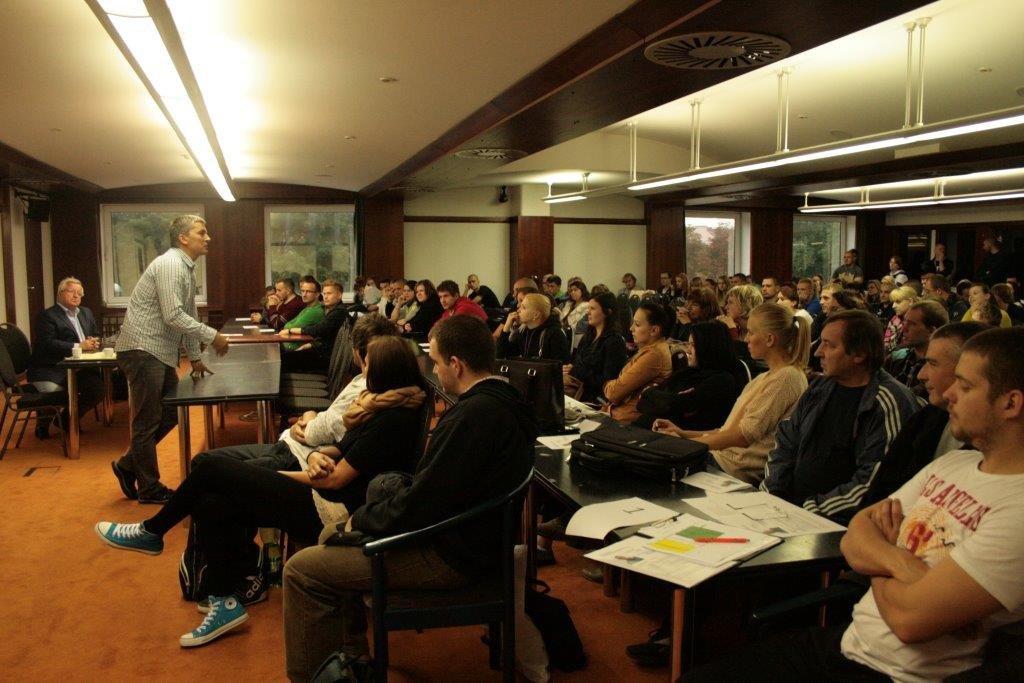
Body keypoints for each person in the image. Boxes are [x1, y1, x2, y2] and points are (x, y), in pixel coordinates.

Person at [684, 326, 1024, 682]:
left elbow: (909, 622)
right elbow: (857, 532)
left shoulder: (1016, 508)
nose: (950, 393)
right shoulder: (954, 463)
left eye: (965, 387)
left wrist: (880, 555)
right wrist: (904, 565)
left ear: (1011, 403)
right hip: (848, 644)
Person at [95, 335, 426, 647]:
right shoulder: (377, 407)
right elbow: (338, 451)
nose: (362, 372)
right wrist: (314, 456)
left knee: (211, 469)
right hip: (321, 491)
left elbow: (335, 481)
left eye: (368, 366)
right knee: (213, 499)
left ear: (384, 373)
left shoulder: (393, 420)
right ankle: (224, 601)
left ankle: (152, 531)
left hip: (330, 511)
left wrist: (271, 475)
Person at [282, 315, 538, 679]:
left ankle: (315, 676)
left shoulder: (473, 416)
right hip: (469, 539)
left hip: (452, 556)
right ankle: (351, 659)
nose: (434, 371)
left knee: (301, 571)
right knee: (330, 535)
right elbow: (435, 493)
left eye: (436, 361)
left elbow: (423, 505)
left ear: (456, 364)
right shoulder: (504, 402)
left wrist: (363, 519)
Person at [111, 215, 229, 505]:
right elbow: (174, 316)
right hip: (142, 349)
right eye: (202, 232)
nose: (208, 237)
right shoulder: (171, 264)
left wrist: (196, 357)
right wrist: (212, 335)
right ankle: (149, 488)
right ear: (183, 238)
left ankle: (127, 465)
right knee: (147, 421)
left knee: (171, 413)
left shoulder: (185, 267)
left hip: (157, 351)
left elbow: (187, 313)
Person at [761, 310, 920, 523]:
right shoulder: (820, 386)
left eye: (829, 345)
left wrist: (808, 509)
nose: (818, 352)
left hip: (836, 522)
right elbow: (786, 440)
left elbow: (874, 482)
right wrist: (773, 492)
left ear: (859, 354)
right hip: (789, 509)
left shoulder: (887, 401)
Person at [654, 302, 810, 484]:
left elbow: (742, 436)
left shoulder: (787, 377)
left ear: (769, 339)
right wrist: (683, 434)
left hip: (733, 468)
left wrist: (687, 445)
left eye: (751, 332)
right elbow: (726, 431)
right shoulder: (766, 377)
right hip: (722, 458)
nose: (747, 339)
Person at [861, 321, 987, 508]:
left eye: (933, 364)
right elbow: (878, 499)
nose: (921, 375)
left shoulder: (987, 450)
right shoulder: (924, 419)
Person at [27, 276, 105, 440]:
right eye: (72, 292)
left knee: (97, 389)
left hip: (79, 367)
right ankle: (43, 424)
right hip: (52, 368)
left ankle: (64, 420)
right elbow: (47, 343)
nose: (76, 296)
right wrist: (78, 346)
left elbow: (95, 334)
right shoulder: (47, 315)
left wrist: (94, 341)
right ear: (60, 293)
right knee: (55, 394)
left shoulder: (86, 313)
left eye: (80, 293)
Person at [635, 320, 742, 431]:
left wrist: (655, 395)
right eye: (688, 344)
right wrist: (664, 397)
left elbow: (674, 406)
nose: (688, 350)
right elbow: (641, 403)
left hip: (681, 438)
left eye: (693, 345)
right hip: (649, 431)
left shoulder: (722, 380)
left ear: (708, 347)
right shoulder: (686, 372)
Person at [602, 301, 673, 423]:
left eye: (637, 324)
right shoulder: (651, 349)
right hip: (617, 414)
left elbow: (614, 393)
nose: (631, 328)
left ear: (654, 330)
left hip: (625, 420)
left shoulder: (654, 355)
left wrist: (606, 384)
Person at [563, 292, 627, 402]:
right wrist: (570, 368)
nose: (588, 312)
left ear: (607, 312)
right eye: (588, 308)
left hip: (595, 397)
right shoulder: (588, 336)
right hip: (579, 388)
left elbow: (608, 380)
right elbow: (578, 363)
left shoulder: (614, 341)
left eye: (592, 308)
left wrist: (575, 370)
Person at [279, 279, 349, 373]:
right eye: (324, 293)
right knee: (283, 357)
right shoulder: (333, 310)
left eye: (329, 293)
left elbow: (317, 330)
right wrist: (310, 344)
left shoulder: (339, 312)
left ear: (339, 295)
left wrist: (290, 331)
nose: (325, 297)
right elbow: (326, 336)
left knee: (281, 359)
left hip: (324, 359)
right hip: (322, 353)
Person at [883, 299, 948, 396]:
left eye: (912, 324)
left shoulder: (942, 368)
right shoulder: (896, 358)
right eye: (904, 322)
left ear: (932, 330)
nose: (903, 329)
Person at [497, 292, 570, 361]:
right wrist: (506, 328)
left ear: (536, 315)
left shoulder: (555, 334)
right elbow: (501, 355)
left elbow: (561, 364)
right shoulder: (524, 331)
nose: (518, 310)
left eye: (524, 307)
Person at [280, 276, 325, 351]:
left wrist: (289, 330)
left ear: (317, 294)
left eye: (308, 291)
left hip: (300, 351)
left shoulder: (315, 311)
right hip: (289, 346)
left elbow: (290, 327)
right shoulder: (307, 308)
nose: (304, 294)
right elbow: (287, 325)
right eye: (302, 291)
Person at [883, 285, 918, 353]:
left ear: (910, 301)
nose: (893, 306)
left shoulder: (919, 319)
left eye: (898, 302)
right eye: (893, 302)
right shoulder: (894, 319)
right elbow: (886, 342)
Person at [559, 279, 591, 351]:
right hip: (564, 336)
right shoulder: (568, 304)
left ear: (582, 290)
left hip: (576, 340)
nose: (573, 292)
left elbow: (580, 325)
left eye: (575, 290)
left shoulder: (587, 306)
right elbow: (562, 320)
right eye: (571, 291)